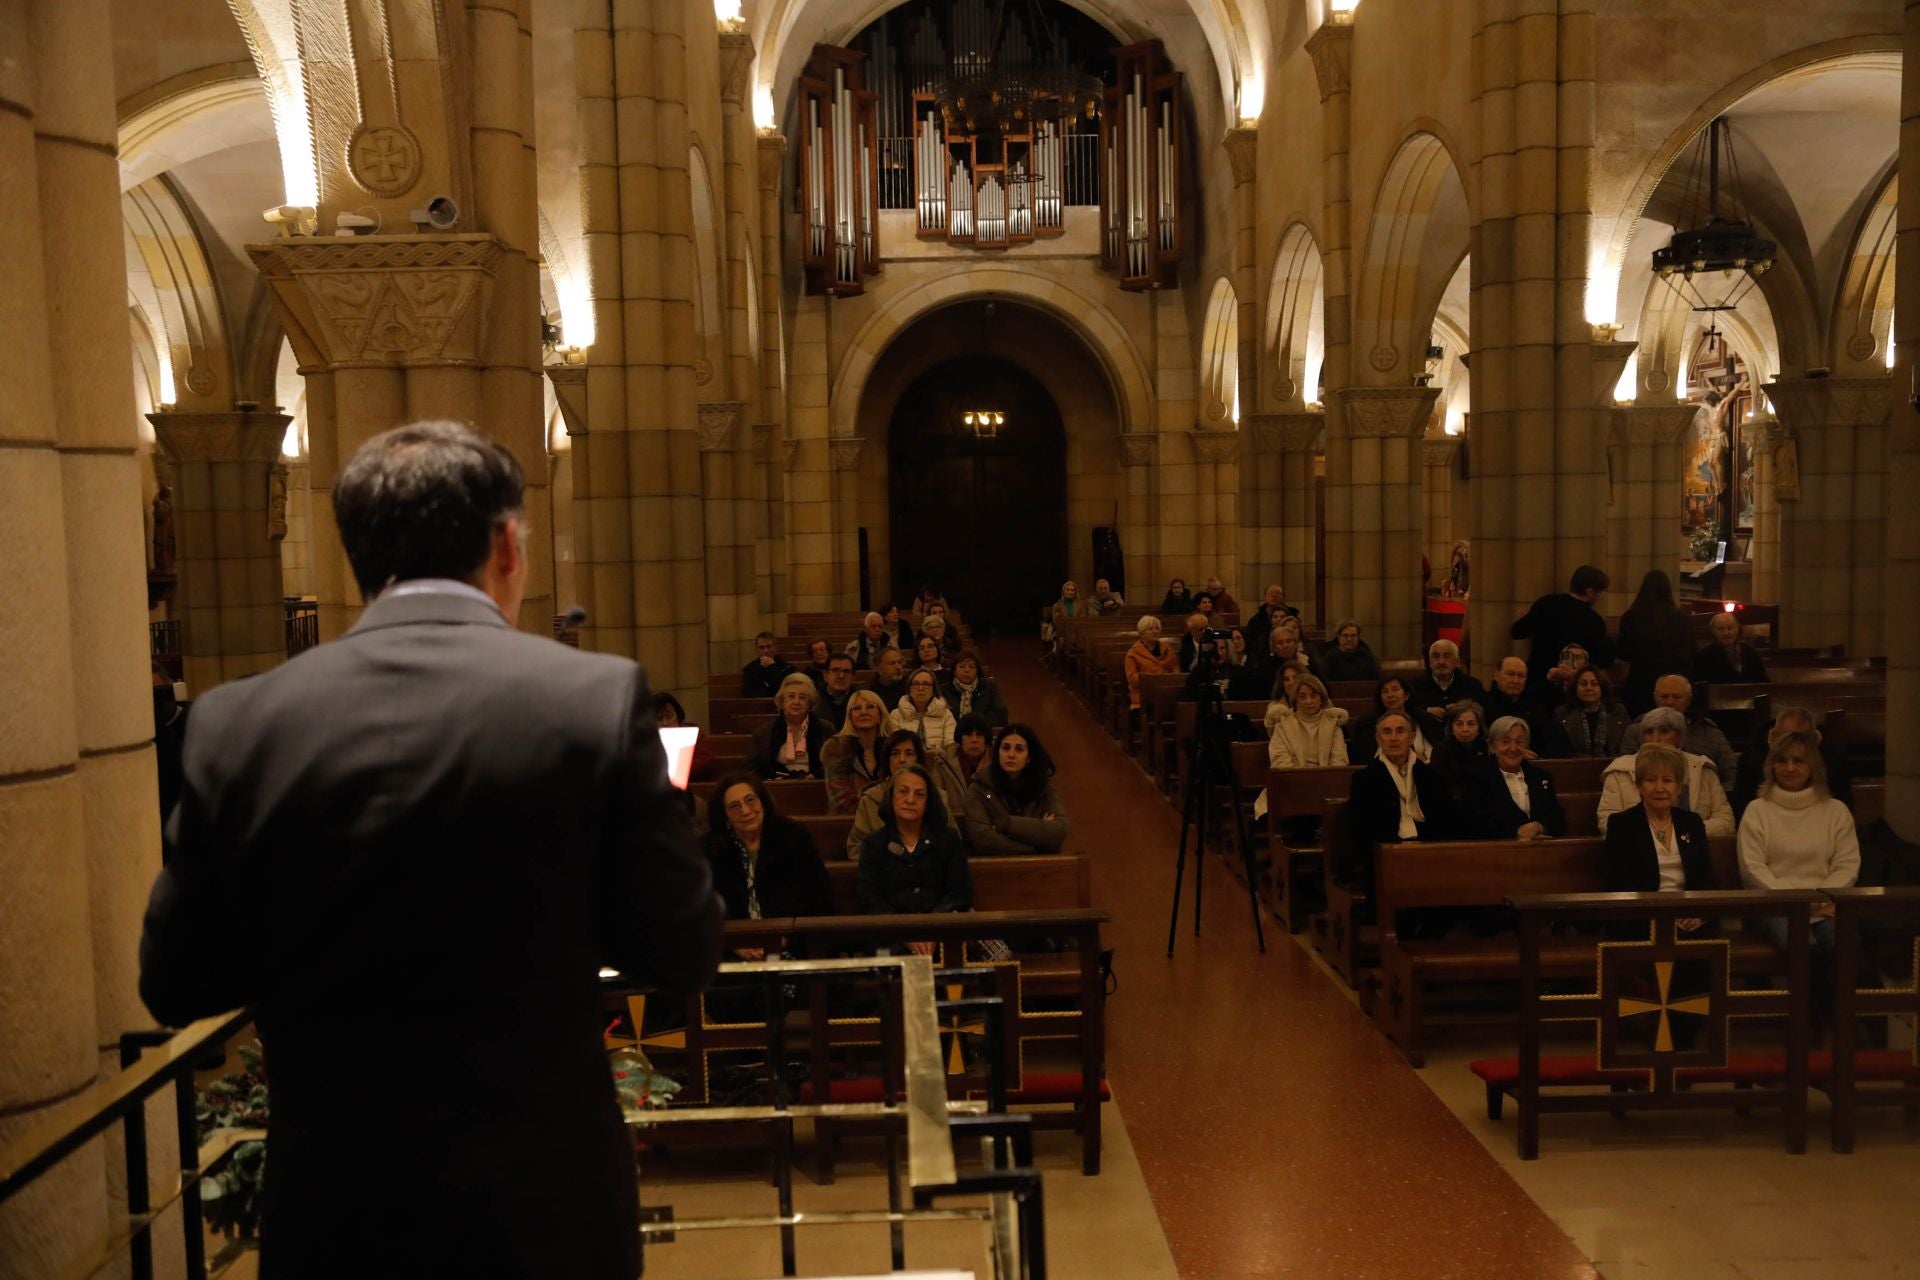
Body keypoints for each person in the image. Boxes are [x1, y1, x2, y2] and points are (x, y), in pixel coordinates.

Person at [138, 420, 723, 1279]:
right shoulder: (589, 700)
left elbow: (178, 981)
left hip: (337, 1218)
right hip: (542, 1216)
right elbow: (683, 948)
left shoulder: (237, 722)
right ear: (507, 547)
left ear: (355, 557)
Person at [1738, 731, 1860, 950]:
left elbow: (1847, 866)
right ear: (1771, 766)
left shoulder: (1837, 811)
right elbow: (1752, 869)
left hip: (1825, 905)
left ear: (1813, 766)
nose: (1790, 768)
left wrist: (1820, 899)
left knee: (1842, 940)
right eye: (1782, 760)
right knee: (1801, 943)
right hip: (1774, 906)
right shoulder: (1757, 810)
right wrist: (1801, 902)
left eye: (1799, 761)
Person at [1344, 711, 1451, 893]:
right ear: (1378, 739)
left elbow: (1444, 819)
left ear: (1412, 738)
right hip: (1385, 854)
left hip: (1428, 850)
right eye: (1387, 732)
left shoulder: (1431, 776)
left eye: (1400, 731)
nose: (1393, 738)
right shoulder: (1365, 779)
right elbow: (1360, 828)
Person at [705, 772, 835, 919]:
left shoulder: (793, 837)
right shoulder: (711, 850)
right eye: (734, 806)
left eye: (750, 800)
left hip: (791, 934)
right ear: (725, 816)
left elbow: (819, 895)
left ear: (763, 803)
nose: (745, 811)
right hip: (733, 938)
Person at [1604, 742, 1719, 900]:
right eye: (1651, 780)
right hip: (1641, 917)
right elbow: (1619, 884)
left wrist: (1696, 914)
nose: (1659, 788)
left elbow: (1706, 878)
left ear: (1679, 787)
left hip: (1689, 912)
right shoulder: (1622, 824)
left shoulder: (1692, 822)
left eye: (1667, 780)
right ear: (1639, 785)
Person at [1597, 706, 1733, 836]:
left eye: (1664, 731)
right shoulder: (1620, 770)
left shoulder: (1702, 768)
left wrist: (1681, 833)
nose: (1655, 738)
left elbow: (1726, 822)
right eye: (1649, 732)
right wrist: (1657, 833)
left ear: (1680, 738)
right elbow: (1607, 823)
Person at [857, 764, 973, 914]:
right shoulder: (873, 844)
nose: (910, 800)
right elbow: (870, 898)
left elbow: (960, 893)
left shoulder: (948, 840)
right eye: (903, 792)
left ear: (928, 803)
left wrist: (931, 927)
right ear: (891, 797)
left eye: (919, 794)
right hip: (891, 931)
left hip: (941, 928)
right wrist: (903, 932)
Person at [961, 723, 1070, 855]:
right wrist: (1037, 844)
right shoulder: (981, 791)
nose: (1011, 755)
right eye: (1005, 748)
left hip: (1040, 870)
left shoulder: (1043, 788)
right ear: (998, 753)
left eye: (1019, 749)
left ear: (1029, 757)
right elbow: (984, 841)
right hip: (994, 868)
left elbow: (1058, 831)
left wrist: (1006, 825)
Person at [1510, 565, 1613, 701]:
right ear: (1589, 591)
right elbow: (1601, 660)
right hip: (1572, 685)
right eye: (1598, 593)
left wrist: (1523, 620)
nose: (1598, 598)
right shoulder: (1594, 621)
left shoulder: (1546, 603)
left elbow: (1517, 632)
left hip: (1538, 678)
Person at [1732, 707, 1853, 819]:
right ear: (1774, 737)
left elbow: (1844, 805)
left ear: (1814, 741)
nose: (1790, 768)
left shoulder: (1834, 762)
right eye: (1786, 739)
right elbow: (1741, 810)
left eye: (1800, 740)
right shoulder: (1750, 761)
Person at [1617, 673, 1738, 784]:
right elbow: (1626, 773)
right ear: (1655, 698)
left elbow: (1731, 773)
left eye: (1677, 697)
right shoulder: (1636, 730)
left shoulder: (1710, 732)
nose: (1670, 702)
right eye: (1664, 697)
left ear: (1689, 700)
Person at [847, 730, 948, 858]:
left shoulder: (938, 797)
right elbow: (855, 847)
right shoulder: (870, 799)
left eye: (909, 753)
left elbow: (952, 845)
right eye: (895, 753)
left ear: (918, 759)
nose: (902, 759)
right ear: (887, 760)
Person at [1467, 717, 1566, 840]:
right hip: (1496, 852)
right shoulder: (1477, 777)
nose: (1513, 748)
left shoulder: (1540, 777)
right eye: (1505, 741)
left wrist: (1538, 827)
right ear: (1492, 746)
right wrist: (1518, 833)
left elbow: (1558, 819)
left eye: (1519, 742)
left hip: (1541, 852)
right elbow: (1477, 825)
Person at [1615, 569, 1695, 714]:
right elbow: (1693, 651)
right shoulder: (1682, 619)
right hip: (1676, 683)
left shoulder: (1632, 617)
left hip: (1642, 683)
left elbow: (1623, 652)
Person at [748, 672, 834, 779]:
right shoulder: (763, 732)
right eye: (791, 696)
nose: (796, 702)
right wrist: (770, 779)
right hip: (776, 789)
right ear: (782, 701)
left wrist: (817, 776)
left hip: (815, 787)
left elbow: (834, 764)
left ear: (810, 704)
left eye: (802, 698)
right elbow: (752, 768)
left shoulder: (826, 729)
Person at [822, 689, 890, 812]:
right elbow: (840, 800)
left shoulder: (894, 749)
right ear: (850, 717)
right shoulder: (836, 750)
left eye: (870, 707)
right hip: (849, 822)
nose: (863, 712)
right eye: (857, 708)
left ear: (880, 714)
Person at [1483, 655, 1564, 758]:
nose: (1515, 681)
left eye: (1521, 676)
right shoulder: (1483, 705)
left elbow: (1552, 741)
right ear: (1496, 675)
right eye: (1510, 674)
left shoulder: (1535, 708)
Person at [1265, 674, 1350, 769]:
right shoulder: (1283, 723)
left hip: (1327, 780)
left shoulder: (1332, 722)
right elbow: (1280, 762)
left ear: (1321, 699)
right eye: (1302, 697)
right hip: (1292, 780)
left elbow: (1339, 760)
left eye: (1313, 696)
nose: (1308, 701)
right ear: (1295, 700)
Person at [1408, 639, 1487, 736]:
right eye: (1436, 656)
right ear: (1429, 662)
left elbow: (1482, 713)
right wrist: (1427, 710)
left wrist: (1460, 709)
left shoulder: (1472, 685)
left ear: (1457, 661)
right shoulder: (1415, 685)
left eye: (1447, 656)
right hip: (1426, 737)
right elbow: (1409, 710)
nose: (1441, 662)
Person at [1554, 666, 1631, 758]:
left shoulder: (1618, 712)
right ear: (1575, 688)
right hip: (1575, 766)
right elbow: (1560, 750)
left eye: (1594, 684)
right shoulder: (1562, 713)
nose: (1589, 688)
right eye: (1583, 684)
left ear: (1602, 688)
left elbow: (1626, 747)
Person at [1355, 676, 1433, 763]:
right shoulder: (1368, 724)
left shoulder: (1422, 719)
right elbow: (1368, 758)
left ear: (1406, 695)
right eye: (1385, 691)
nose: (1390, 695)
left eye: (1395, 689)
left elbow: (1432, 755)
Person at [1430, 700, 1489, 810]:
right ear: (1452, 728)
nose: (1465, 729)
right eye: (1459, 724)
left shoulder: (1485, 748)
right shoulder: (1441, 751)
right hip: (1450, 807)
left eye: (1471, 724)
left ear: (1479, 728)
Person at [930, 713, 995, 808]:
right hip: (952, 820)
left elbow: (994, 799)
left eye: (979, 735)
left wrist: (987, 796)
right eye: (968, 734)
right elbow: (938, 801)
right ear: (960, 739)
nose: (974, 740)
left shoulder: (996, 763)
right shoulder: (943, 764)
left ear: (986, 740)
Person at [152, 661, 189, 825]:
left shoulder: (193, 720)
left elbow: (180, 768)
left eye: (159, 691)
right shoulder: (141, 735)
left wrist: (159, 726)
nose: (155, 700)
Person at [655, 690, 717, 785]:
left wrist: (671, 768)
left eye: (669, 716)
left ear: (678, 715)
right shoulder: (648, 740)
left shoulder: (695, 734)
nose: (665, 723)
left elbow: (705, 763)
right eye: (659, 719)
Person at [890, 667, 956, 752]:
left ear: (933, 690)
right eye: (916, 684)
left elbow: (951, 746)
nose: (921, 688)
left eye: (926, 684)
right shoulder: (896, 715)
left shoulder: (946, 714)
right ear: (909, 689)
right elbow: (894, 747)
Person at [1694, 611, 1768, 685]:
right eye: (1720, 629)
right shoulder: (1705, 656)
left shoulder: (1752, 653)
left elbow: (1764, 682)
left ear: (1737, 629)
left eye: (1729, 628)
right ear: (1713, 632)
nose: (1726, 633)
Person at [1125, 615, 1181, 711]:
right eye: (1150, 629)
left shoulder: (1167, 649)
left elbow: (1175, 669)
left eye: (1157, 628)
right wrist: (1154, 676)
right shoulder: (1133, 653)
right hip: (1144, 695)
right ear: (1142, 632)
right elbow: (1132, 679)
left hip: (1166, 692)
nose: (1155, 631)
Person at [941, 650, 1009, 726]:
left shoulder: (989, 687)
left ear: (977, 671)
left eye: (972, 667)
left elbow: (1000, 714)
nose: (967, 670)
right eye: (962, 666)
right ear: (954, 671)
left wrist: (976, 724)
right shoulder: (944, 690)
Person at [740, 630, 796, 698]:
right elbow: (747, 692)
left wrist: (772, 667)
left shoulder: (787, 667)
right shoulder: (749, 669)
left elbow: (786, 690)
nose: (765, 651)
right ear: (757, 650)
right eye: (762, 647)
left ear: (775, 648)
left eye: (769, 647)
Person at [813, 652, 857, 728]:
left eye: (846, 671)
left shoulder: (861, 700)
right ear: (825, 675)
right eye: (835, 670)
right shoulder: (813, 701)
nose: (841, 676)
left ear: (852, 677)